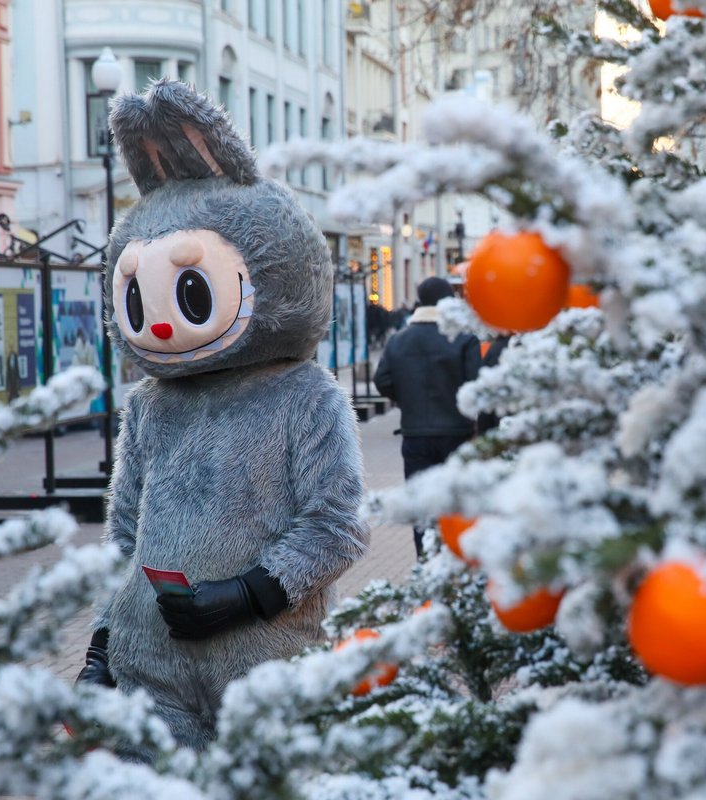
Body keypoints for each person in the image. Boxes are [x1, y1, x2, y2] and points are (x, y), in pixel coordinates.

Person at [73, 80, 367, 754]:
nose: (164, 321)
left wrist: (250, 594)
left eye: (188, 288)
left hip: (264, 667)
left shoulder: (305, 395)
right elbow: (123, 535)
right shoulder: (150, 407)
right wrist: (99, 646)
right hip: (149, 674)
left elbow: (338, 524)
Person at [374, 277, 481, 556]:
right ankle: (456, 560)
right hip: (457, 434)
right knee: (457, 504)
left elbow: (381, 378)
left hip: (415, 436)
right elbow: (476, 384)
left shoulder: (398, 341)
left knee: (421, 505)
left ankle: (425, 561)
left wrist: (405, 399)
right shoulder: (464, 338)